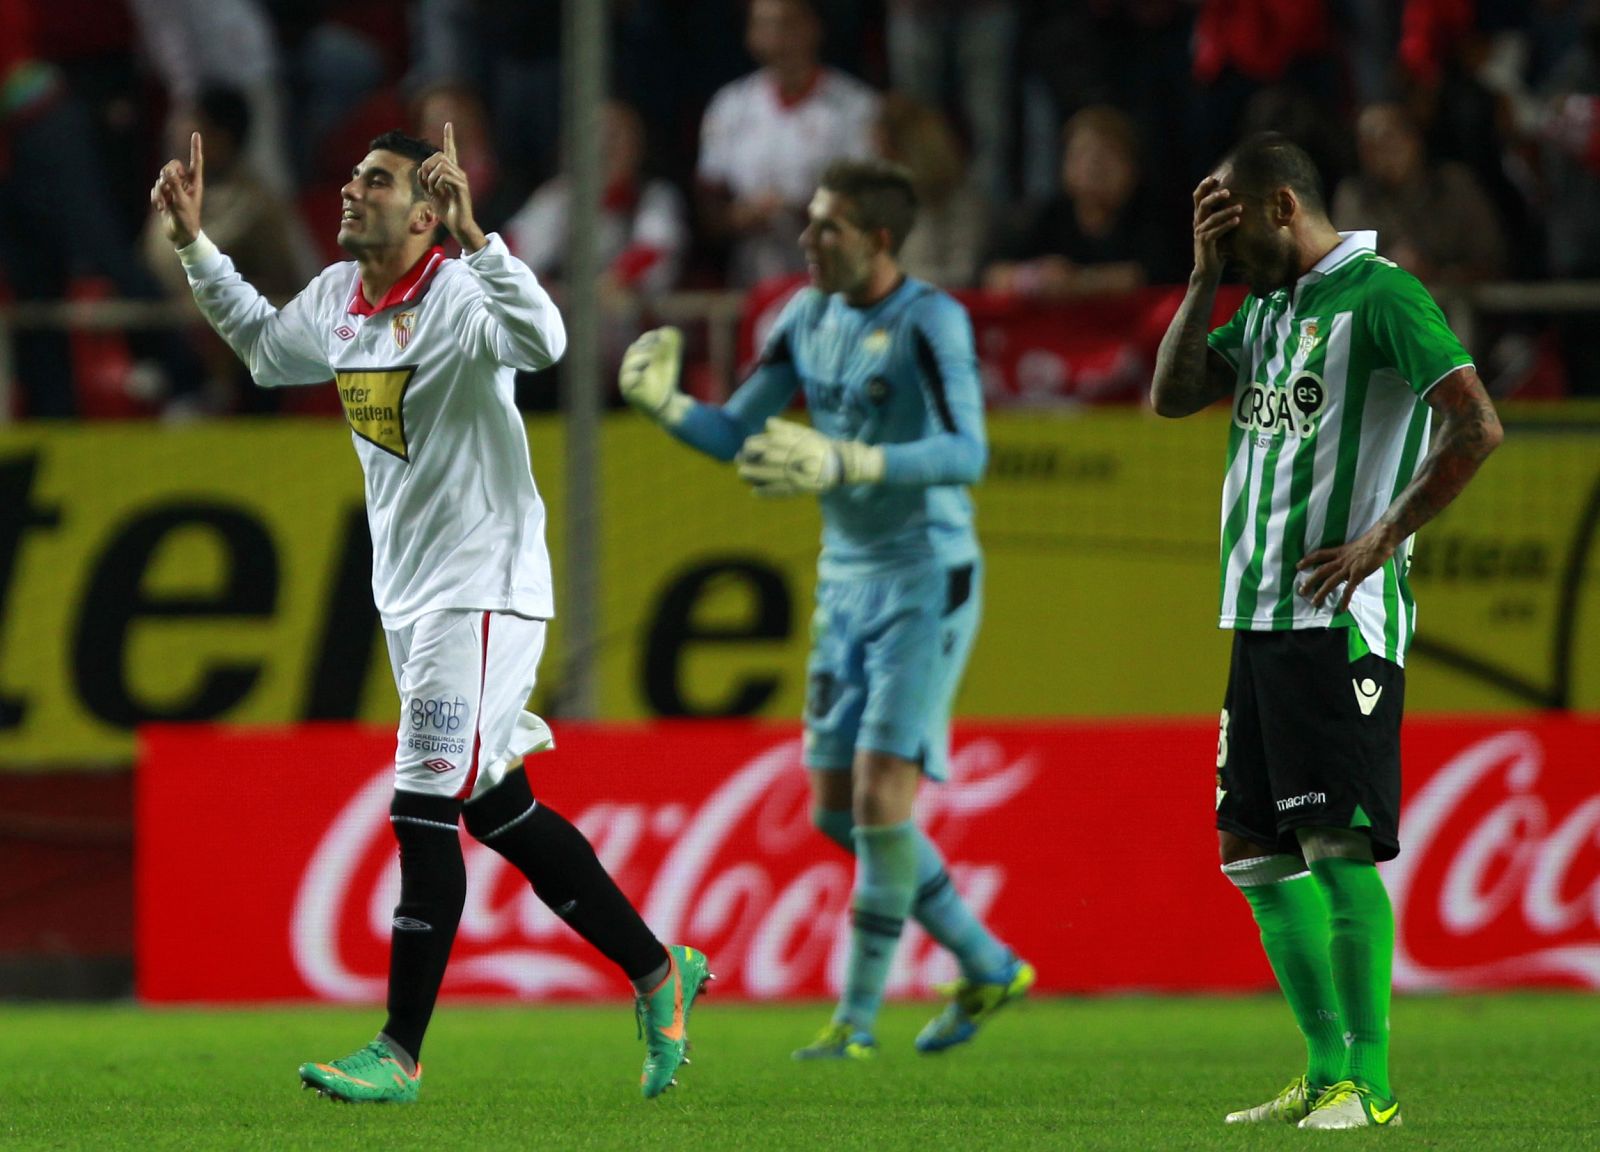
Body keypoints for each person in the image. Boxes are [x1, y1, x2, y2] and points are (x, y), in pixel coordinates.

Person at [150, 125, 710, 1102]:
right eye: (353, 174)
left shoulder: (458, 291)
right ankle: (660, 971)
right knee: (496, 805)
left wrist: (482, 241)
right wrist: (198, 246)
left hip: (481, 587)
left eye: (377, 180)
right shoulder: (337, 297)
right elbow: (261, 353)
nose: (351, 191)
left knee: (420, 804)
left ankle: (400, 1052)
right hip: (410, 597)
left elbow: (546, 341)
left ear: (424, 211)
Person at [619, 158, 1033, 1060]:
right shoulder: (802, 317)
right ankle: (987, 962)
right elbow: (738, 432)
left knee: (884, 800)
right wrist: (667, 406)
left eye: (827, 228)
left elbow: (968, 452)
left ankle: (854, 1022)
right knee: (833, 812)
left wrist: (854, 462)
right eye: (808, 223)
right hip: (844, 580)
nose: (806, 240)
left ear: (879, 239)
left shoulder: (931, 321)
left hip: (927, 574)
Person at [1150, 133, 1502, 1130]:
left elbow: (1473, 424)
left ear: (1278, 208)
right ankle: (1319, 1070)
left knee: (1335, 843)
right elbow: (1171, 395)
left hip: (1336, 621)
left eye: (1226, 221)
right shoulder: (1261, 303)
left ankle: (1371, 1085)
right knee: (1252, 854)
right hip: (1256, 613)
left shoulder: (1380, 296)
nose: (1220, 239)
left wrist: (1383, 534)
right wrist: (1199, 277)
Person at [696, 0, 879, 287]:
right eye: (764, 25)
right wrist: (738, 217)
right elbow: (709, 203)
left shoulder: (856, 106)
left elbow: (873, 199)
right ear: (750, 35)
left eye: (788, 23)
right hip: (754, 279)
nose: (777, 37)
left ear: (814, 27)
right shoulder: (730, 105)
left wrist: (800, 211)